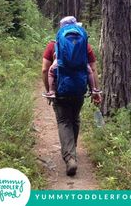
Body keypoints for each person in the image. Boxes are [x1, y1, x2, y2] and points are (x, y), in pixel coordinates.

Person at [42, 16, 101, 176]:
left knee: (63, 121)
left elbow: (45, 70)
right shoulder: (85, 46)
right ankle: (71, 149)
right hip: (79, 88)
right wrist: (95, 91)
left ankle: (70, 158)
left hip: (61, 89)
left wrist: (49, 90)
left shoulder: (53, 45)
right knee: (74, 119)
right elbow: (92, 70)